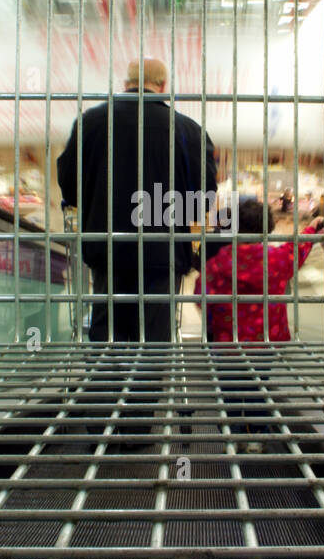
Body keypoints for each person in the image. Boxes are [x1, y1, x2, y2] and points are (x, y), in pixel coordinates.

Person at [56, 58, 218, 445]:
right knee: (154, 336)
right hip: (162, 253)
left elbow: (69, 182)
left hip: (108, 247)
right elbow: (203, 196)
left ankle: (103, 423)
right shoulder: (188, 130)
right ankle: (137, 425)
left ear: (126, 83)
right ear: (163, 86)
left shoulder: (92, 122)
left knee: (107, 330)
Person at [194, 196, 323, 452]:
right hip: (265, 342)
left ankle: (232, 436)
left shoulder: (220, 263)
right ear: (268, 228)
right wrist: (313, 227)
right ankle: (257, 436)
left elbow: (201, 294)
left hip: (227, 343)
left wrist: (215, 323)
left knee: (229, 391)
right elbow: (298, 247)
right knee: (258, 387)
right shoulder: (277, 260)